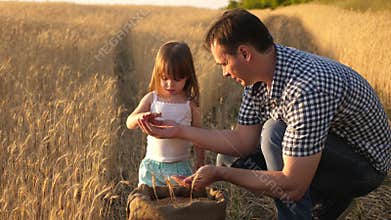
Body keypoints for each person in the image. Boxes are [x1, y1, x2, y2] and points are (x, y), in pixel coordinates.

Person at [137, 9, 391, 219]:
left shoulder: (307, 86)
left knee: (272, 133)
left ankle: (310, 208)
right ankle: (326, 201)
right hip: (324, 150)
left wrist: (221, 175)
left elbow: (292, 184)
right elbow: (241, 142)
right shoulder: (258, 76)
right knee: (227, 155)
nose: (224, 72)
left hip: (363, 167)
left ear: (245, 54)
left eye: (224, 63)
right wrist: (179, 131)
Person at [126, 41, 204, 187]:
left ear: (188, 76)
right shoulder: (151, 98)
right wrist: (139, 118)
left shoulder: (191, 104)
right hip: (151, 168)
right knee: (148, 207)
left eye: (177, 79)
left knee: (178, 207)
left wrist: (200, 164)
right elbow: (129, 122)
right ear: (157, 74)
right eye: (164, 78)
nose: (170, 84)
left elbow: (199, 138)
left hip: (180, 168)